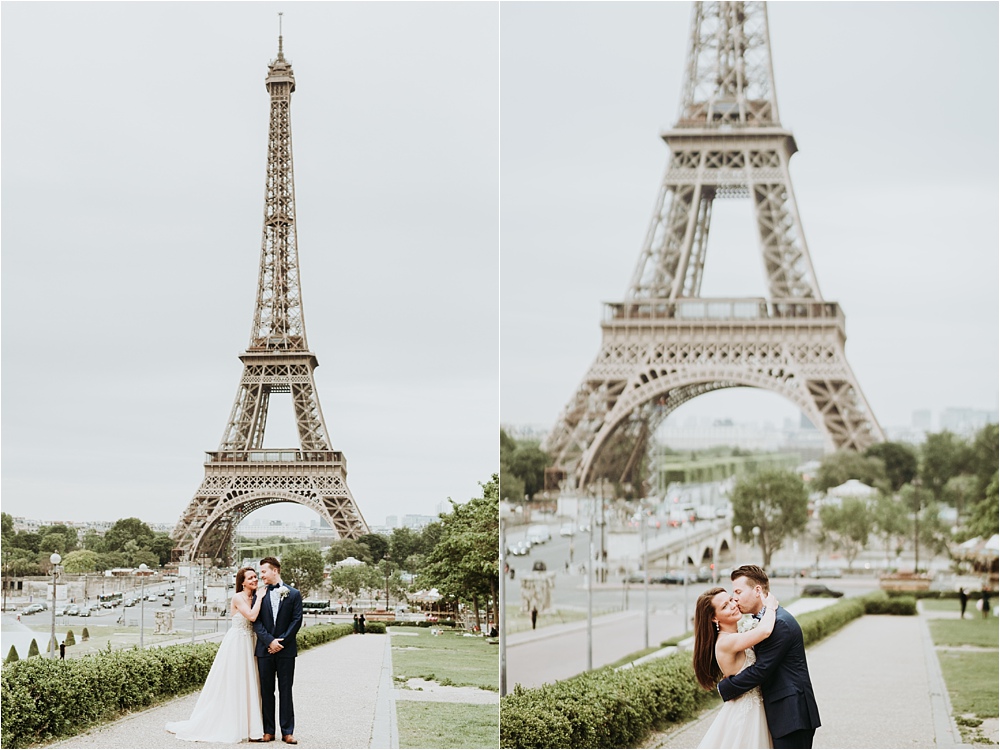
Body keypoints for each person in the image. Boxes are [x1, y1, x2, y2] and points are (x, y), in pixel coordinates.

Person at [717, 565, 821, 749]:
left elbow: (761, 670)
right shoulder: (769, 620)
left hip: (792, 714)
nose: (735, 598)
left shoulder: (779, 623)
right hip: (783, 713)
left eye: (739, 591)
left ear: (757, 590)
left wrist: (726, 687)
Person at [166, 567, 264, 743]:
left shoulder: (254, 597)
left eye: (256, 577)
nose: (255, 580)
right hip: (238, 643)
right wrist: (261, 599)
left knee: (250, 681)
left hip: (251, 641)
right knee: (236, 681)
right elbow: (251, 616)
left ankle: (252, 726)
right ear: (242, 582)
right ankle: (234, 723)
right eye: (250, 578)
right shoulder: (238, 597)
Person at [693, 585, 778, 748]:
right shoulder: (726, 642)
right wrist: (771, 607)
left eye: (731, 599)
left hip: (757, 707)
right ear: (714, 618)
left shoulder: (736, 636)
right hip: (746, 712)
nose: (733, 605)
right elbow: (765, 631)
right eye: (724, 606)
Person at [253, 557, 303, 745]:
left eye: (264, 572)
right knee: (266, 691)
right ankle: (268, 730)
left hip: (285, 650)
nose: (261, 576)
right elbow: (256, 621)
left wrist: (281, 642)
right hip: (265, 649)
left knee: (285, 691)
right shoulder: (258, 594)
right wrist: (270, 641)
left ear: (275, 571)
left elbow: (296, 620)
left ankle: (287, 731)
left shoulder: (293, 593)